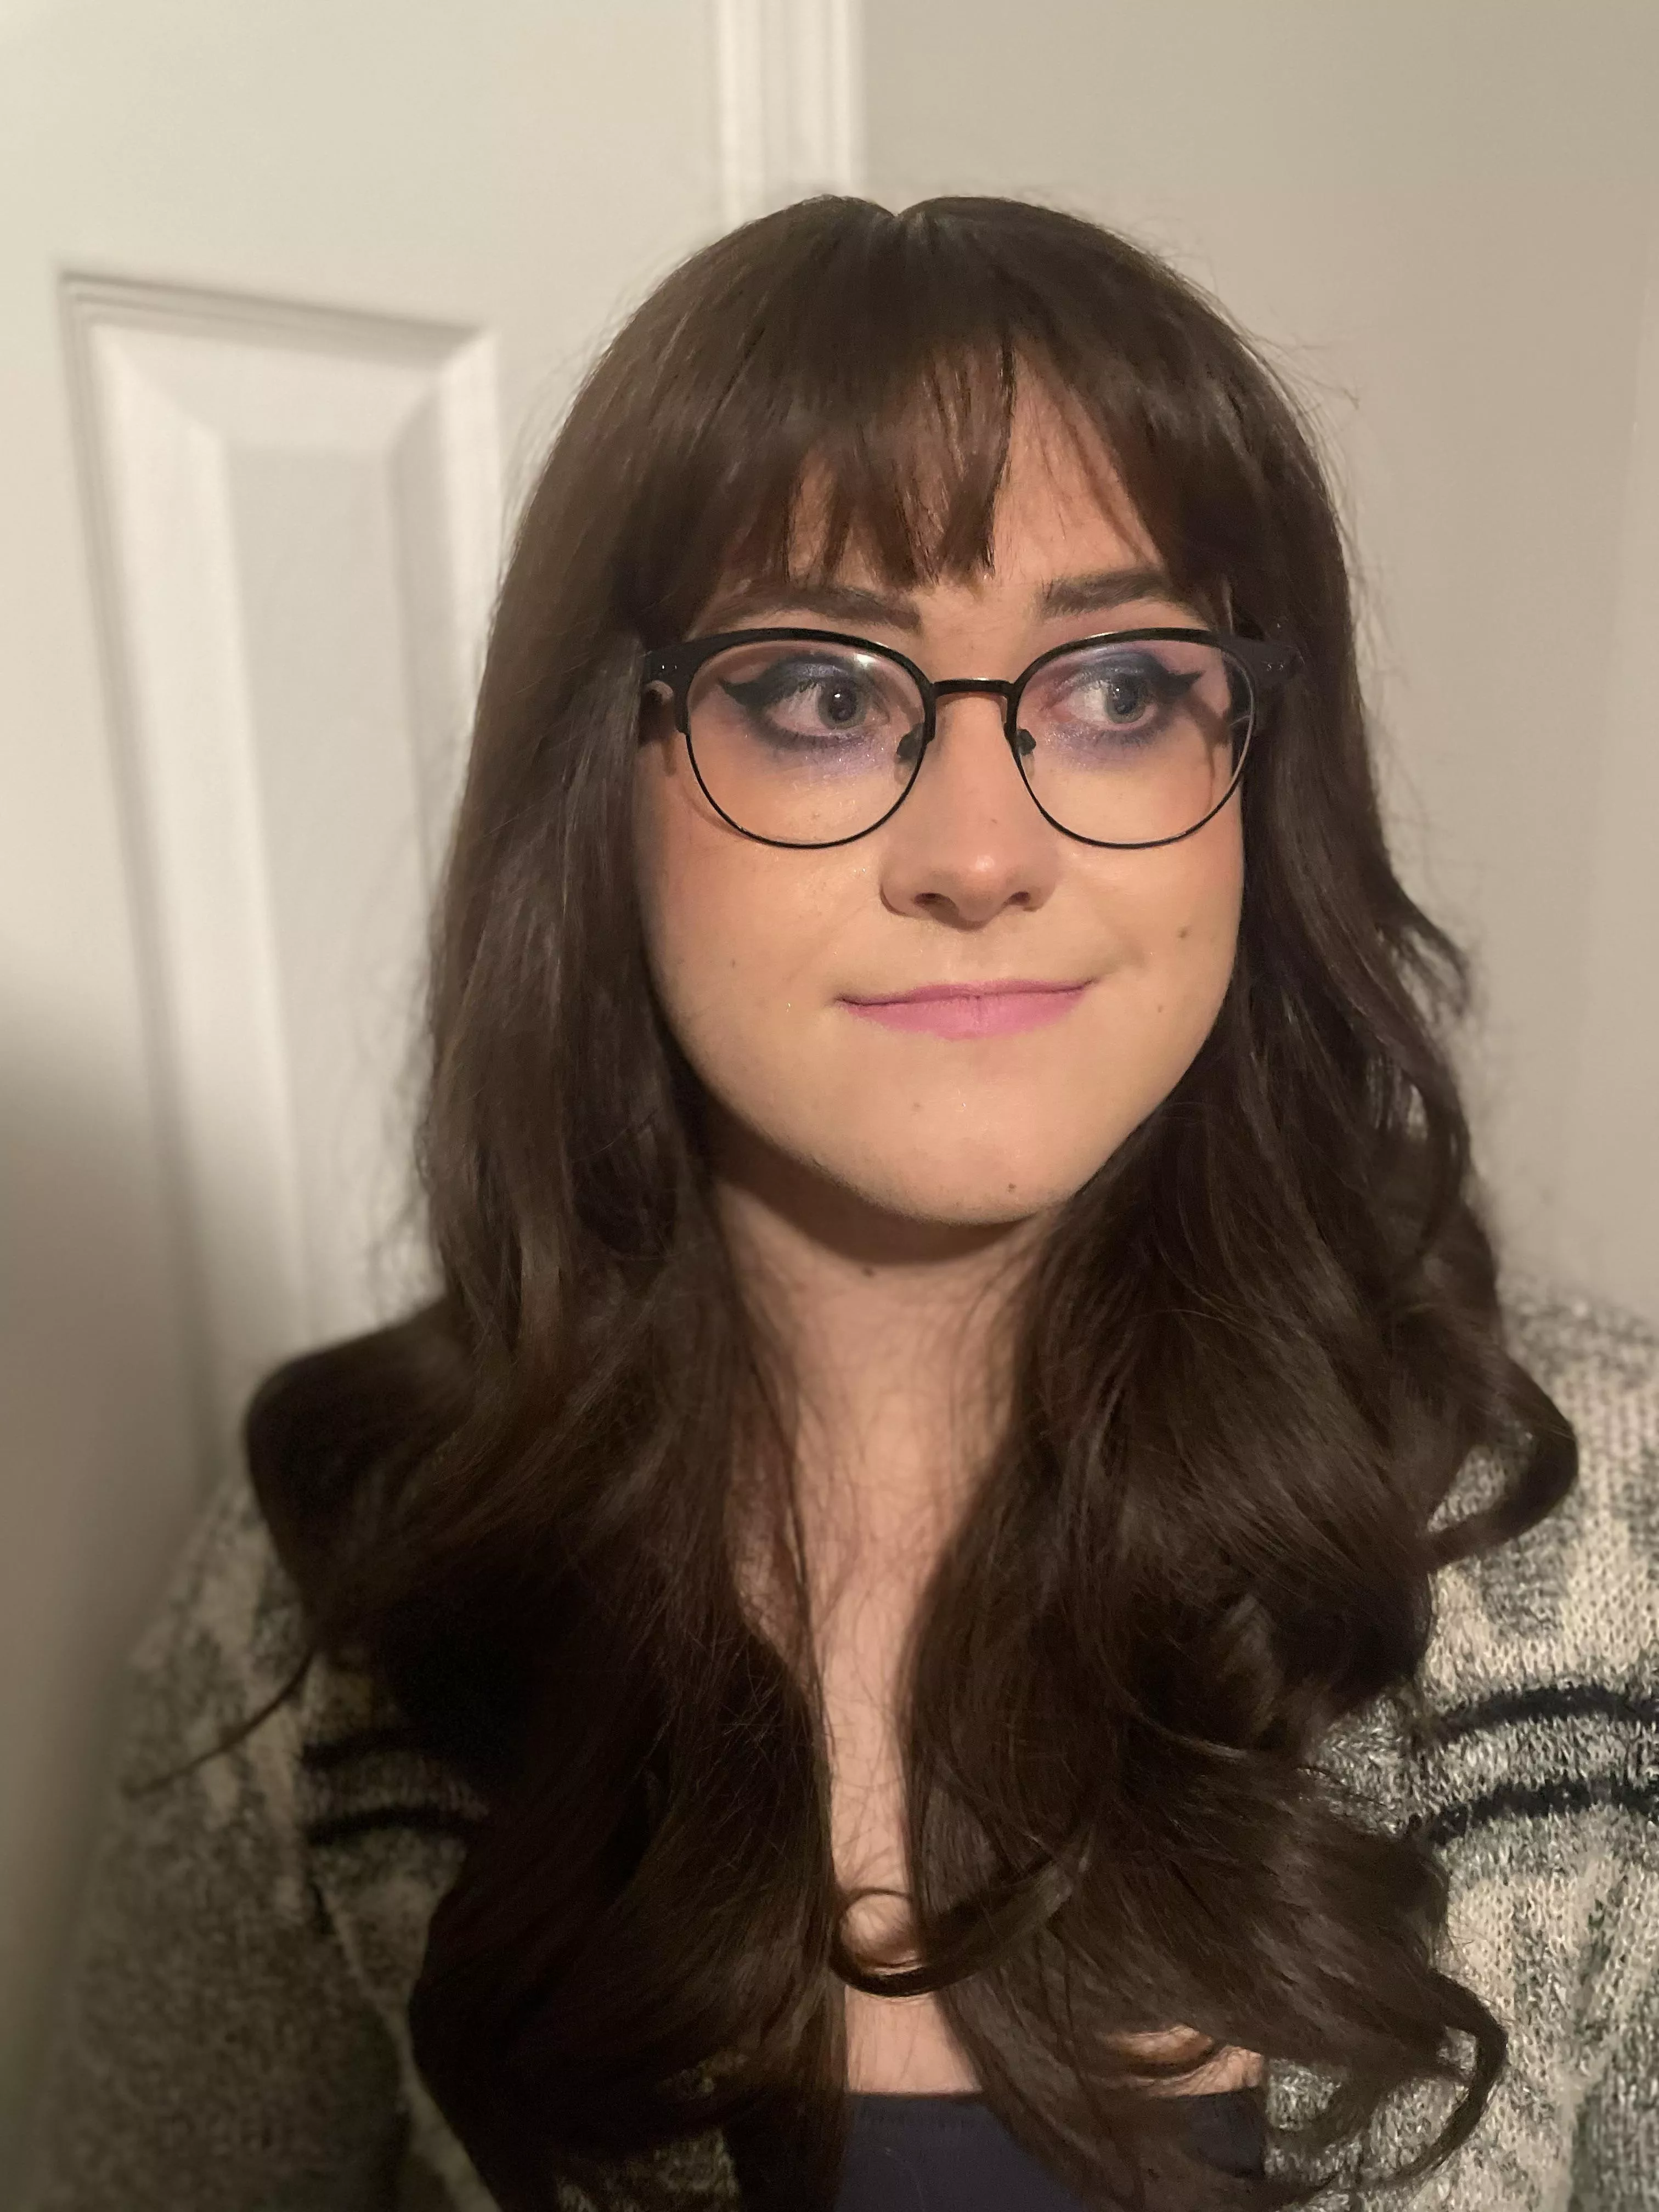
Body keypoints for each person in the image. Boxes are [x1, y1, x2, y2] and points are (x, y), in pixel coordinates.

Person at [20, 195, 1658, 2212]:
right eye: (821, 694)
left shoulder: (1613, 1542)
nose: (982, 854)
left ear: (1257, 776)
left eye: (1123, 690)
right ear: (595, 785)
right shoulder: (337, 1588)